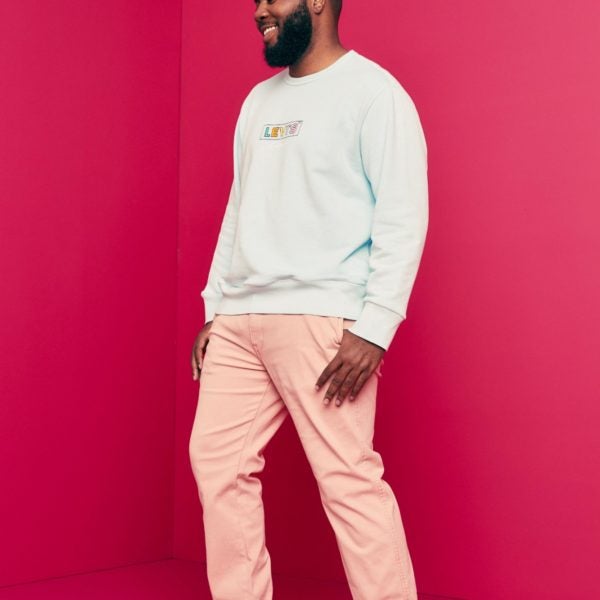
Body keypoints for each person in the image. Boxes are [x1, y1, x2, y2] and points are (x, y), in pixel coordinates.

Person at [188, 0, 428, 598]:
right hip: (240, 319)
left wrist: (374, 328)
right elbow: (239, 208)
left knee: (348, 481)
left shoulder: (374, 94)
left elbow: (403, 215)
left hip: (322, 321)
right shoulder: (257, 102)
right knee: (218, 467)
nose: (259, 11)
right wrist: (216, 306)